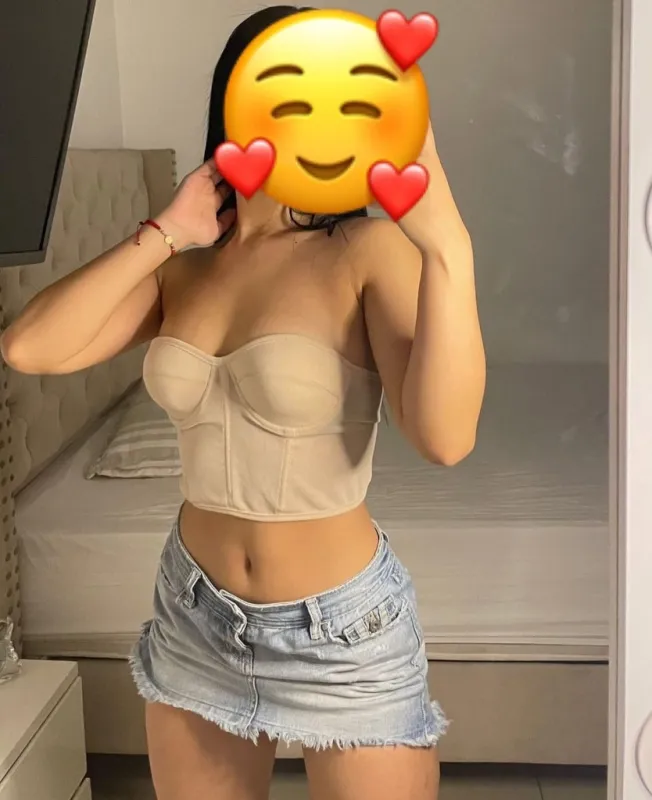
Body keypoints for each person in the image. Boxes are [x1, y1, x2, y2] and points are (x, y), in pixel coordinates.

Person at [1, 6, 485, 799]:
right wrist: (167, 229)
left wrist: (447, 245)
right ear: (240, 104)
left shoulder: (365, 251)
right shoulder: (186, 266)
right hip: (195, 613)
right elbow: (29, 348)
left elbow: (447, 438)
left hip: (342, 633)